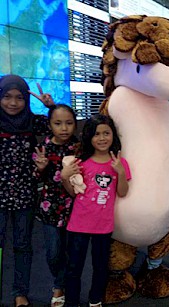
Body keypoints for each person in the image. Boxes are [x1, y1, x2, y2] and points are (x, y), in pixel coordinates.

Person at [61, 114, 131, 307]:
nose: (102, 138)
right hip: (78, 225)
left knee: (100, 267)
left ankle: (95, 300)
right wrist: (66, 178)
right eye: (96, 134)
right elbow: (73, 193)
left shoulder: (120, 163)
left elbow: (123, 193)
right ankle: (71, 302)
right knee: (74, 268)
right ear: (89, 137)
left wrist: (121, 173)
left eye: (106, 133)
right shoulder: (80, 162)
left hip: (103, 226)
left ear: (113, 135)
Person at [0, 74, 55, 307]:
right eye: (7, 97)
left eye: (19, 98)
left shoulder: (33, 122)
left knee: (23, 246)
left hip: (25, 196)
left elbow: (60, 125)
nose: (13, 103)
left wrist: (51, 107)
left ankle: (20, 292)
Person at [33, 104, 79, 307]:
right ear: (49, 125)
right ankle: (58, 282)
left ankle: (65, 285)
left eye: (69, 123)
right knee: (53, 252)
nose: (63, 128)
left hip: (74, 207)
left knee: (71, 251)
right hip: (49, 208)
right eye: (58, 123)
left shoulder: (78, 146)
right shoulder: (44, 146)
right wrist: (40, 169)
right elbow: (36, 177)